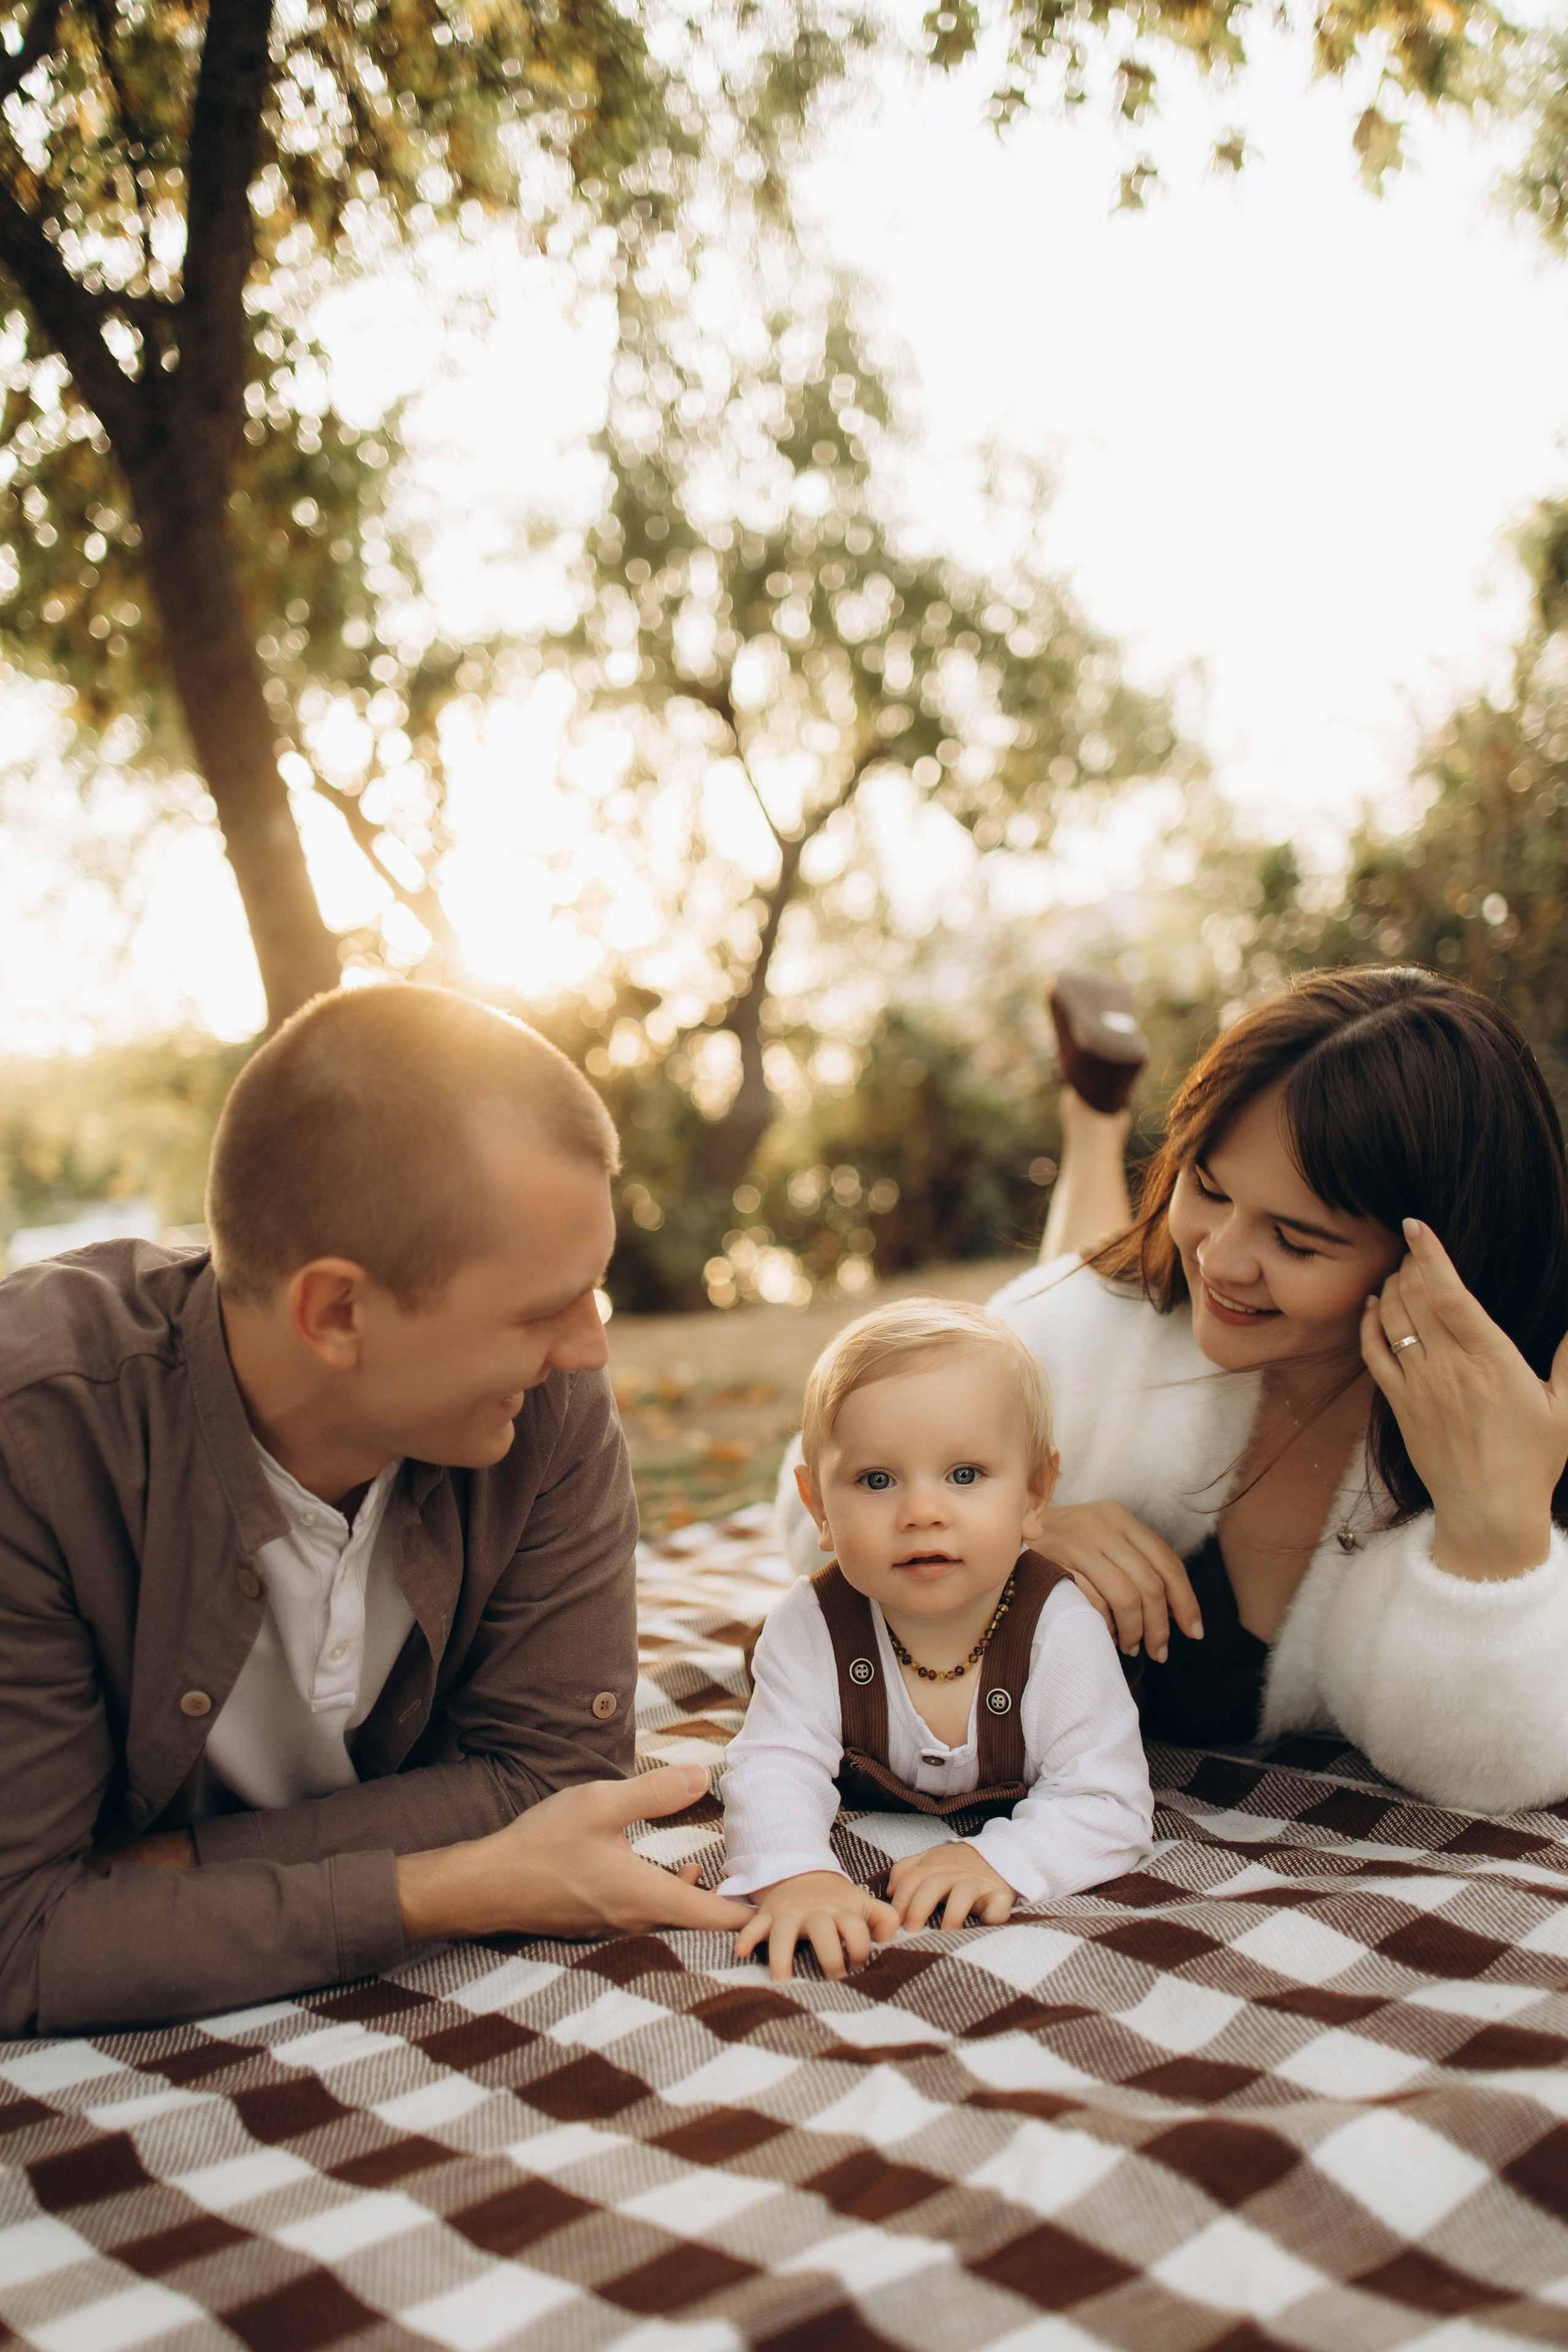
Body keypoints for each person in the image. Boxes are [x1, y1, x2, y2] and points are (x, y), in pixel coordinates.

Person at [0, 984, 750, 2037]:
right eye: (542, 1308)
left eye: (593, 1290)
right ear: (337, 1311)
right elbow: (20, 1941)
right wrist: (445, 1890)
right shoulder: (35, 1441)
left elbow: (554, 1778)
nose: (588, 1348)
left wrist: (165, 1875)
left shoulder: (541, 1403)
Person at [726, 1300, 1153, 1980]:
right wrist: (795, 1874)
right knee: (774, 1678)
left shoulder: (1059, 1630)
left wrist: (1001, 1858)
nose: (922, 1512)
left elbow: (1107, 1800)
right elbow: (772, 1768)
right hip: (807, 1655)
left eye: (963, 1475)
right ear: (818, 1510)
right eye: (876, 1480)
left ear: (1035, 1494)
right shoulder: (811, 1625)